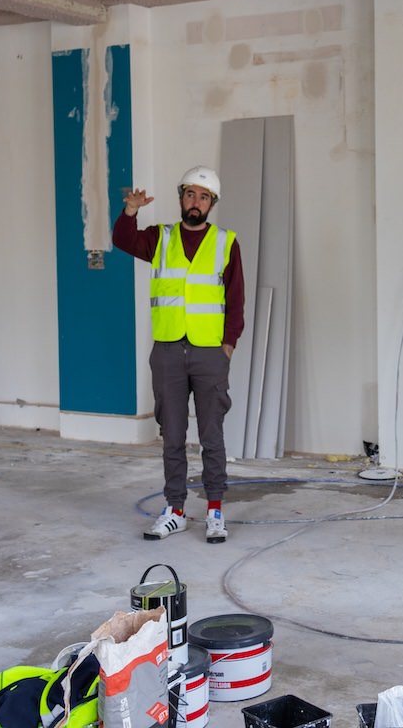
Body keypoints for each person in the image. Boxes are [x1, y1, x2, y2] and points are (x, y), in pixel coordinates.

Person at [112, 165, 244, 543]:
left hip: (209, 353)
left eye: (204, 197)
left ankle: (215, 511)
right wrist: (131, 211)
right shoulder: (160, 238)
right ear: (181, 197)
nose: (196, 202)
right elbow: (123, 240)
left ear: (212, 204)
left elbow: (236, 300)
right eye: (190, 194)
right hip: (168, 349)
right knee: (171, 434)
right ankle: (176, 510)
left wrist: (228, 345)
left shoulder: (226, 243)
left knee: (211, 436)